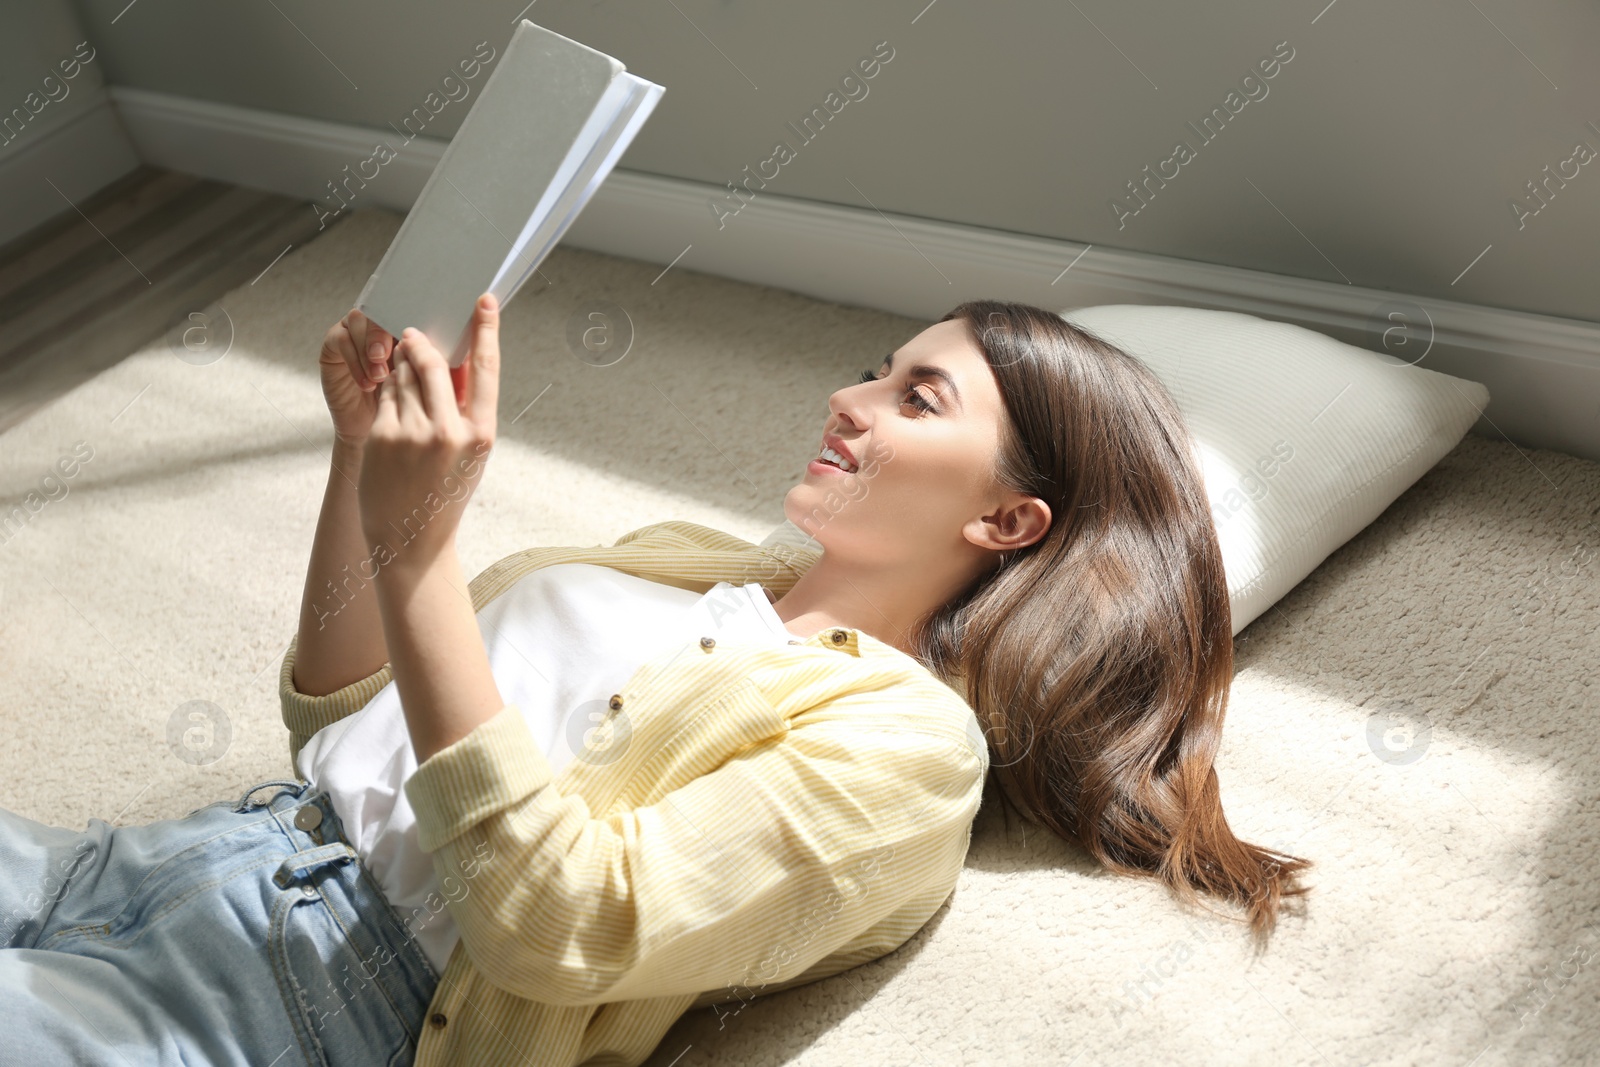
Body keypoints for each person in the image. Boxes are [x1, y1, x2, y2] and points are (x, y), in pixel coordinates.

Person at [0, 291, 1310, 1066]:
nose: (851, 399)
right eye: (875, 370)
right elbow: (344, 721)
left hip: (287, 1005)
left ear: (1007, 522)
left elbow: (561, 923)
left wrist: (421, 557)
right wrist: (364, 472)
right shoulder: (683, 568)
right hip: (150, 863)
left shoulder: (909, 755)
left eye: (917, 401)